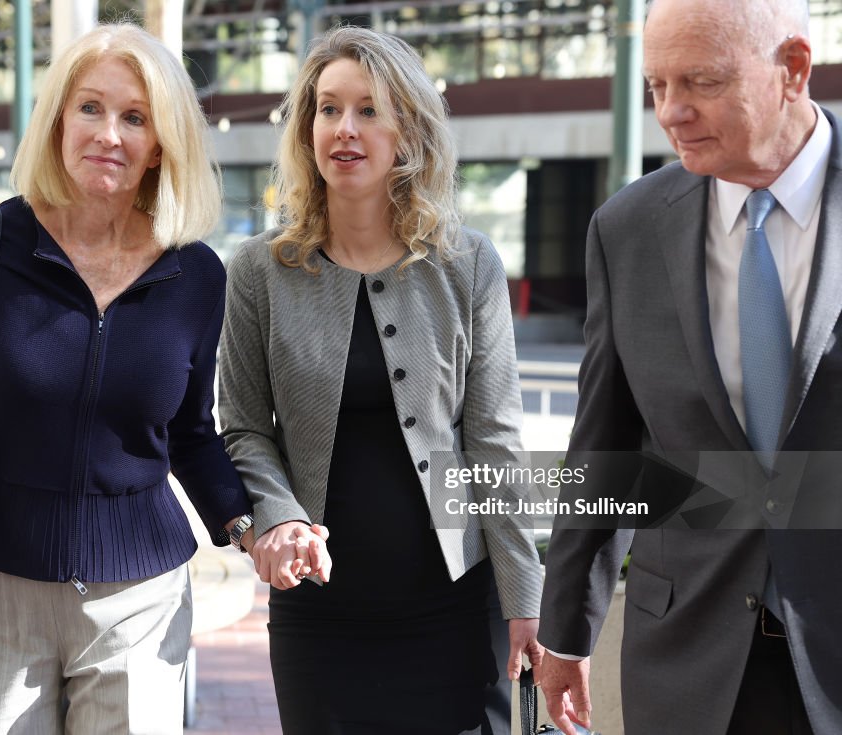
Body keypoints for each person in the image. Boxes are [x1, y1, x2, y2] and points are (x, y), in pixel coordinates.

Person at [0, 23, 253, 734]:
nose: (109, 133)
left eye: (135, 117)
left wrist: (254, 526)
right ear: (59, 119)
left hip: (140, 602)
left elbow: (190, 433)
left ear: (162, 143)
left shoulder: (197, 275)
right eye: (90, 108)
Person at [218, 25, 544, 735]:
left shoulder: (468, 264)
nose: (346, 128)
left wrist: (525, 596)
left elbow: (495, 441)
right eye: (328, 109)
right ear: (306, 129)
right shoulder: (259, 271)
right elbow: (243, 426)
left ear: (408, 128)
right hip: (319, 618)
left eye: (369, 109)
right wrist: (279, 516)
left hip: (455, 609)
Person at [535, 1, 842, 733]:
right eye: (656, 86)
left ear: (793, 70)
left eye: (699, 82)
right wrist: (567, 625)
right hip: (687, 660)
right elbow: (605, 443)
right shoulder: (627, 227)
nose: (671, 112)